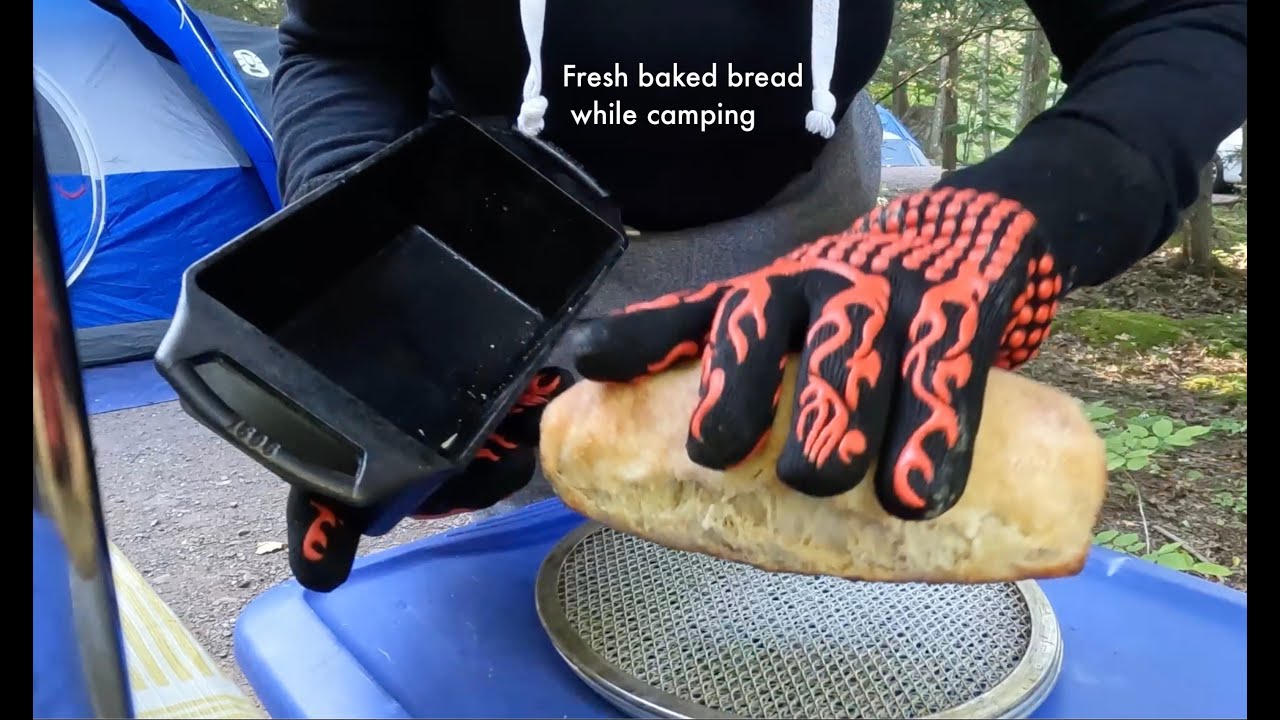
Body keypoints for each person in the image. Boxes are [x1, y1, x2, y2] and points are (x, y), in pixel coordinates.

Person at [272, 0, 1246, 592]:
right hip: (490, 247)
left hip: (814, 265)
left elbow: (1184, 18)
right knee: (523, 584)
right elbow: (342, 48)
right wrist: (368, 259)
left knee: (809, 572)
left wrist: (1038, 203)